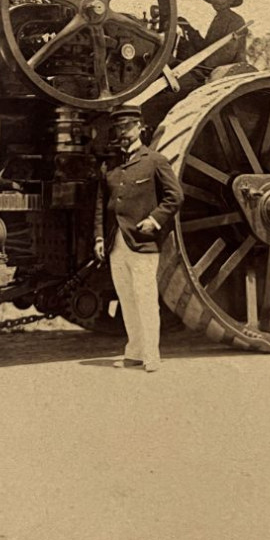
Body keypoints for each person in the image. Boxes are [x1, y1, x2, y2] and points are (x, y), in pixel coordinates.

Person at [94, 106, 183, 372]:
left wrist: (154, 220)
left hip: (143, 242)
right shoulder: (110, 166)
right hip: (115, 243)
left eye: (127, 128)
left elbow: (175, 196)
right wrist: (99, 238)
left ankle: (151, 355)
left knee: (145, 298)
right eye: (119, 129)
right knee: (127, 298)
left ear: (140, 128)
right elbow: (101, 205)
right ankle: (134, 351)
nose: (123, 133)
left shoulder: (155, 161)